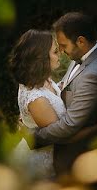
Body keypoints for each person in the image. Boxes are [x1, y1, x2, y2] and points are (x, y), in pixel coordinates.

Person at [31, 12, 97, 176]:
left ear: (81, 41)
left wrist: (35, 136)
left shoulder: (93, 74)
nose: (61, 51)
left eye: (63, 46)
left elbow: (70, 125)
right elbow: (68, 84)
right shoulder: (86, 54)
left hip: (77, 156)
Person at [8, 29, 65, 180]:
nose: (60, 54)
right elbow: (61, 136)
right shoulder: (36, 99)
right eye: (55, 52)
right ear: (41, 59)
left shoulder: (41, 80)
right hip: (46, 165)